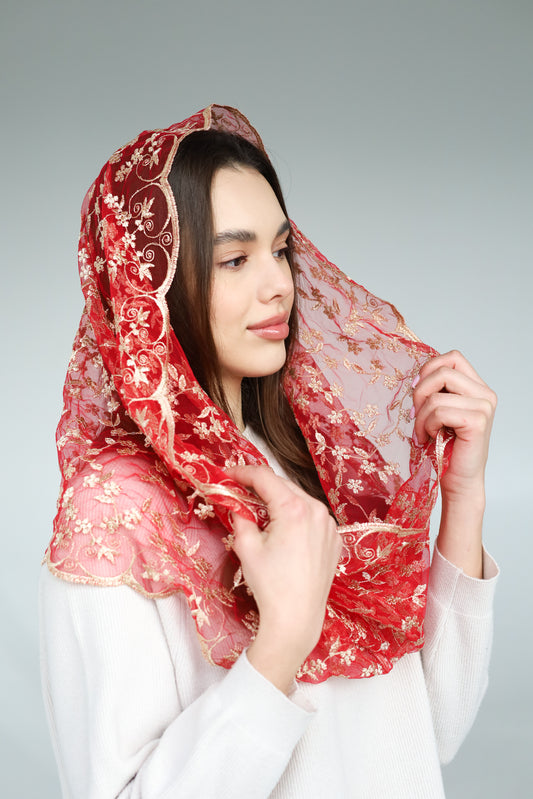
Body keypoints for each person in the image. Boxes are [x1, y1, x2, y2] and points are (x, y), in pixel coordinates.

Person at [40, 105, 498, 798]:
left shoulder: (309, 464)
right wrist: (281, 642)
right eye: (234, 258)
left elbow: (431, 732)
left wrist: (463, 498)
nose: (279, 283)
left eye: (280, 249)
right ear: (150, 286)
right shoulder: (114, 516)